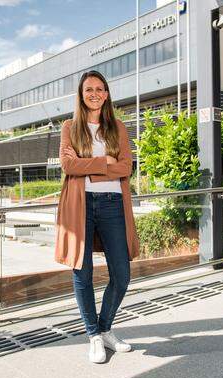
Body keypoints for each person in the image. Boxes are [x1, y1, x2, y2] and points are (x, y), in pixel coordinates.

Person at [54, 70, 140, 363]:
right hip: (82, 204)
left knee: (122, 274)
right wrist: (106, 162)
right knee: (83, 271)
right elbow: (68, 165)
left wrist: (87, 164)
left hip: (113, 204)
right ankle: (93, 335)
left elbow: (126, 167)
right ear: (81, 94)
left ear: (106, 94)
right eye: (89, 89)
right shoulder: (70, 126)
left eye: (100, 89)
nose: (94, 93)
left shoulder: (117, 126)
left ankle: (105, 329)